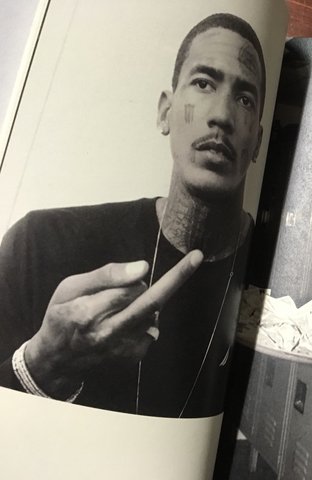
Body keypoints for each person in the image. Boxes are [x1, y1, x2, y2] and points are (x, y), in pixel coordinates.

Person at [0, 12, 266, 418]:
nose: (222, 116)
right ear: (164, 112)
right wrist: (44, 363)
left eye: (244, 99)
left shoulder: (283, 282)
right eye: (203, 83)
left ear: (258, 142)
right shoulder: (39, 245)